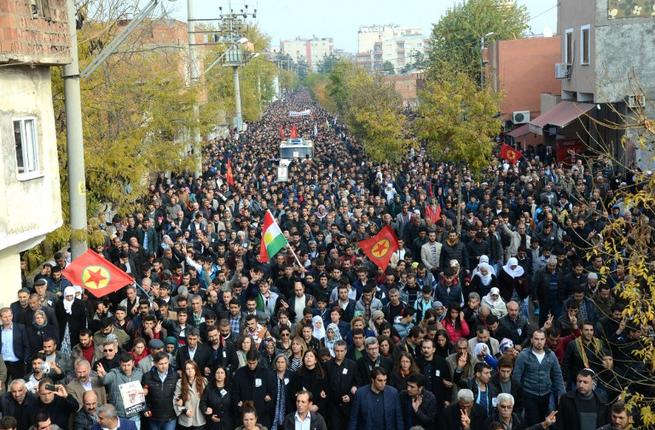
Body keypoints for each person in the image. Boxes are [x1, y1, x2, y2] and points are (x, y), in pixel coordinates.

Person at [513, 330, 565, 426]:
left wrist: (561, 393)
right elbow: (516, 377)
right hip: (529, 393)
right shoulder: (523, 355)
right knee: (533, 421)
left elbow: (558, 375)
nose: (539, 342)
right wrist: (518, 396)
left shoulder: (551, 355)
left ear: (545, 340)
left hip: (546, 393)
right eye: (536, 339)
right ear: (532, 340)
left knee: (548, 421)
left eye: (542, 339)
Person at [97, 352, 144, 428]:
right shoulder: (114, 373)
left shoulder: (139, 373)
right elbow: (105, 381)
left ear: (133, 363)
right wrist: (101, 375)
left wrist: (145, 389)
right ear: (120, 364)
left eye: (128, 365)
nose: (126, 367)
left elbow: (145, 385)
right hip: (119, 415)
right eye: (123, 365)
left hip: (135, 414)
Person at [232, 349, 275, 429]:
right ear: (246, 360)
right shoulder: (239, 373)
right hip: (244, 416)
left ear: (258, 360)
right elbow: (235, 393)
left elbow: (272, 393)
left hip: (262, 416)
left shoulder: (266, 373)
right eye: (249, 363)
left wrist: (268, 401)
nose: (251, 366)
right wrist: (239, 406)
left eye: (254, 363)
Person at [142, 351, 179, 430]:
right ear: (155, 364)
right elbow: (142, 396)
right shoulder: (147, 376)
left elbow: (180, 393)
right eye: (161, 364)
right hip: (153, 417)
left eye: (166, 363)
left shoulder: (175, 376)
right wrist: (145, 409)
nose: (164, 366)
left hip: (170, 417)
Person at [483, 393, 558, 430]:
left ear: (512, 407)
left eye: (509, 407)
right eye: (503, 406)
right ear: (498, 406)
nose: (506, 409)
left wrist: (545, 424)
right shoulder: (489, 421)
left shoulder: (519, 420)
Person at [288, 350, 329, 416]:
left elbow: (327, 393)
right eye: (306, 356)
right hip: (300, 409)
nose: (308, 358)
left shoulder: (322, 375)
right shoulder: (297, 374)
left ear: (315, 360)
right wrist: (303, 405)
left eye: (311, 356)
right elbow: (292, 392)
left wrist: (317, 406)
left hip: (318, 411)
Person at [174, 360, 207, 430]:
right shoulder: (180, 383)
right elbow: (175, 401)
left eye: (192, 368)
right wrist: (184, 411)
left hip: (200, 418)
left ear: (196, 369)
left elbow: (209, 398)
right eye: (187, 369)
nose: (190, 370)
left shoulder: (203, 381)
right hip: (185, 420)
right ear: (184, 371)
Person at [54, 286, 88, 355]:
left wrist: (82, 333)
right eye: (67, 296)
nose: (69, 298)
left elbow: (83, 320)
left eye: (71, 296)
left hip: (75, 333)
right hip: (62, 332)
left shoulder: (80, 304)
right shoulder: (59, 304)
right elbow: (57, 319)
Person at [200, 366, 235, 430]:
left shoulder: (231, 388)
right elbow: (202, 402)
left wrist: (225, 419)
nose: (220, 375)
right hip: (213, 424)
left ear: (225, 375)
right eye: (217, 373)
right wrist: (209, 414)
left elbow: (234, 406)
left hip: (228, 423)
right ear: (214, 375)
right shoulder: (209, 388)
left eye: (222, 373)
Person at [0, 307, 31, 381]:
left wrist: (25, 360)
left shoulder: (20, 328)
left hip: (17, 362)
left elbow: (26, 345)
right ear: (1, 318)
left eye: (9, 316)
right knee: (2, 387)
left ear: (12, 316)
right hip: (2, 363)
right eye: (5, 317)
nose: (8, 318)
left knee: (18, 385)